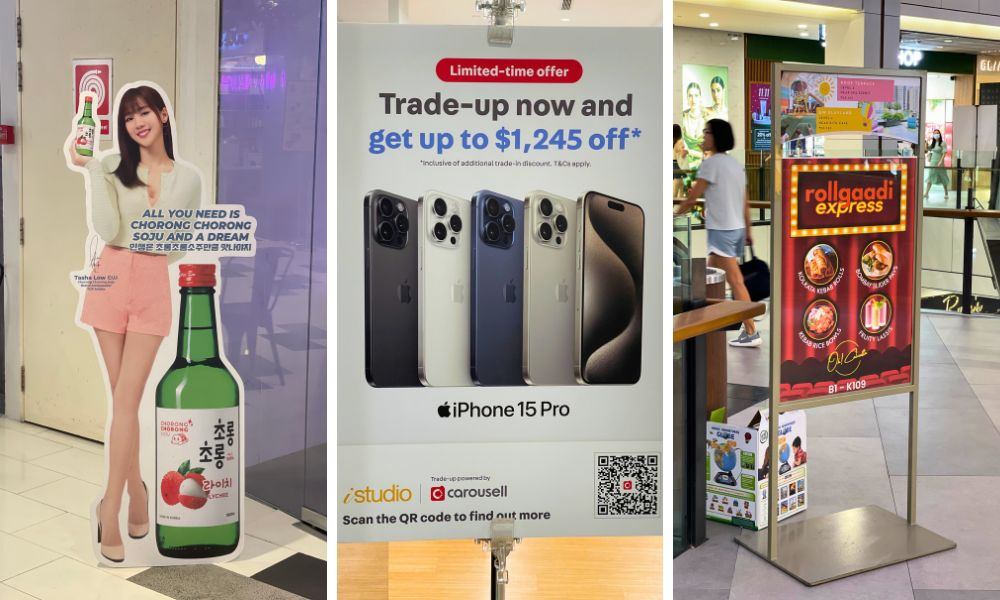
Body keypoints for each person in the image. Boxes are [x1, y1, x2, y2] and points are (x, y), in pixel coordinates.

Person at [68, 85, 202, 563]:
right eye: (128, 118)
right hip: (109, 273)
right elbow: (107, 229)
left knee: (129, 400)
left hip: (149, 282)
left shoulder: (188, 178)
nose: (137, 123)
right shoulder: (110, 167)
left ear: (162, 114)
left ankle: (116, 504)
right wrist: (88, 170)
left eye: (144, 112)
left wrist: (151, 254)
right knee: (121, 400)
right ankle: (133, 497)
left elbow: (182, 241)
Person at [676, 119, 760, 347]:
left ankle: (751, 331)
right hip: (735, 229)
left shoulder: (711, 164)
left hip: (721, 231)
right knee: (704, 278)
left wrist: (672, 215)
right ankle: (704, 328)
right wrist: (749, 230)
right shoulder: (735, 165)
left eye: (706, 132)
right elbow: (744, 201)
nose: (703, 136)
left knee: (735, 281)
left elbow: (692, 198)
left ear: (716, 136)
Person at [681, 82, 706, 166]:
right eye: (690, 96)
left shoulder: (707, 119)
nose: (693, 99)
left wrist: (691, 152)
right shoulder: (683, 118)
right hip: (685, 164)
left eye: (696, 95)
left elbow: (711, 153)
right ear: (687, 98)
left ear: (700, 98)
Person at [924, 128, 950, 201]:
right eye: (934, 133)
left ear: (939, 134)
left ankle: (946, 193)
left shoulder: (943, 143)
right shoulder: (933, 143)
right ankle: (926, 193)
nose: (936, 134)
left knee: (943, 177)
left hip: (940, 162)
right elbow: (926, 149)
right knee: (930, 176)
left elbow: (944, 153)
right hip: (933, 162)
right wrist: (926, 142)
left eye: (937, 133)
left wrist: (941, 161)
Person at [673, 124, 689, 198]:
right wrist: (687, 151)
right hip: (678, 166)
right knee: (676, 188)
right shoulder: (680, 142)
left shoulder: (673, 141)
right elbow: (683, 154)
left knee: (680, 185)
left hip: (674, 165)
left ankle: (678, 206)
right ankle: (672, 206)